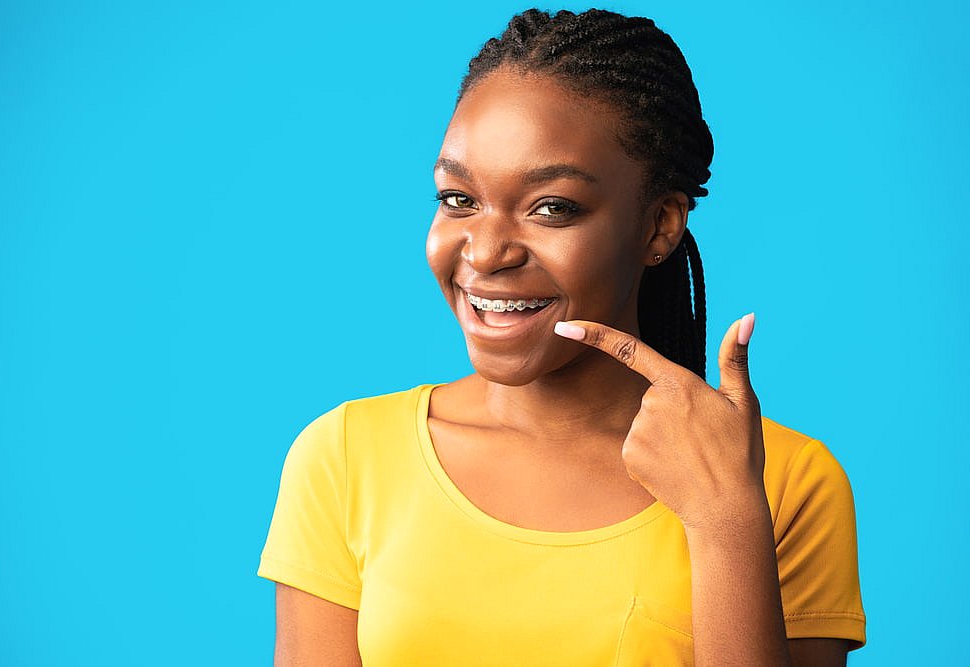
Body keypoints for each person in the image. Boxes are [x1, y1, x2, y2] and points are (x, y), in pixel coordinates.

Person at [257, 8, 865, 665]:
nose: (486, 251)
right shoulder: (344, 459)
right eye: (458, 198)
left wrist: (726, 521)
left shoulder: (787, 482)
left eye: (552, 207)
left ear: (660, 225)